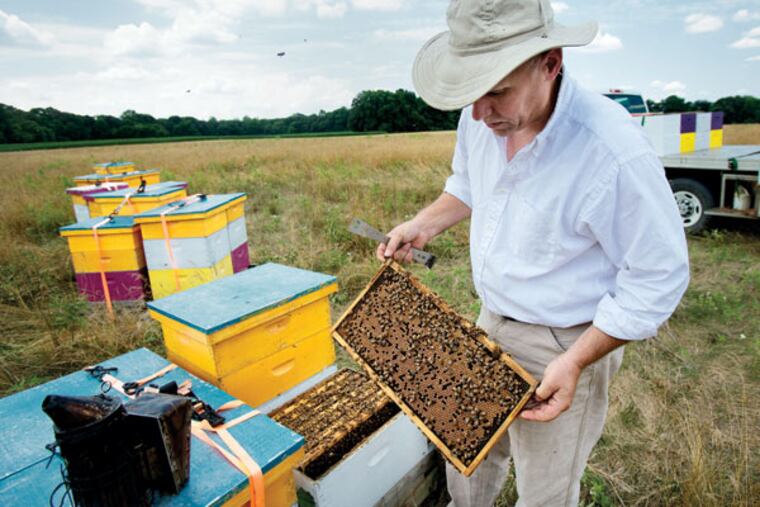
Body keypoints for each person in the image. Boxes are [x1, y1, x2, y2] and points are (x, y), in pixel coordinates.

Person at [376, 1, 690, 505]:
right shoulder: (480, 115)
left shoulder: (612, 151)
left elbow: (657, 276)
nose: (480, 113)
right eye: (471, 93)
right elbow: (467, 184)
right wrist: (422, 225)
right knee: (469, 453)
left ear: (551, 62)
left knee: (545, 492)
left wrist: (577, 360)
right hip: (490, 318)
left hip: (566, 340)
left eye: (497, 91)